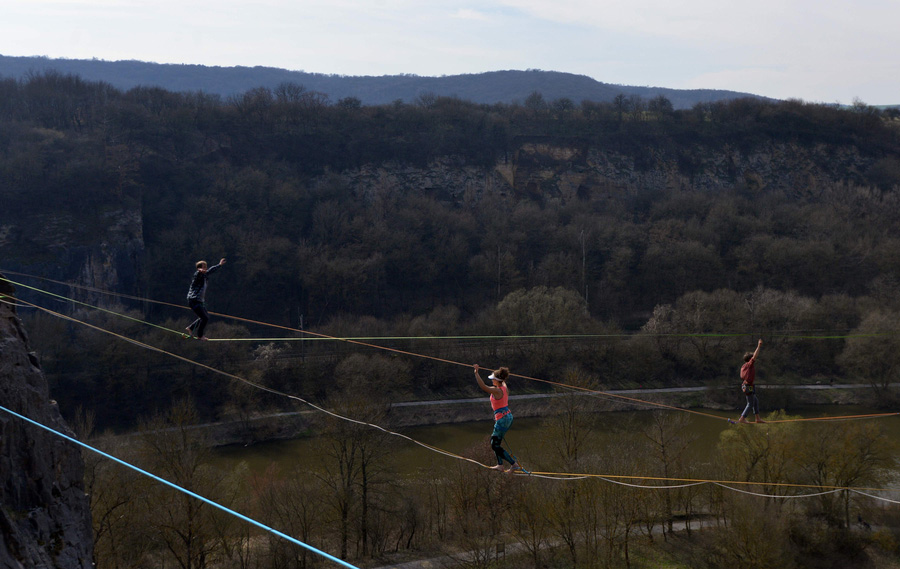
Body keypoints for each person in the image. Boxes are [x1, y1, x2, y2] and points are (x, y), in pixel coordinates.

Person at [474, 364, 522, 473]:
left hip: (503, 419)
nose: (492, 381)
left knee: (494, 444)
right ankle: (500, 465)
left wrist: (476, 373)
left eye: (493, 379)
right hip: (507, 417)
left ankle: (513, 464)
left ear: (497, 380)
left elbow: (483, 387)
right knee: (496, 443)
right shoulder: (504, 388)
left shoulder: (497, 391)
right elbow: (502, 380)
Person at [184, 258, 226, 340]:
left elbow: (211, 270)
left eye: (205, 267)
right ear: (199, 268)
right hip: (193, 300)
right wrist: (200, 270)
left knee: (205, 316)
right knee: (204, 318)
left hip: (199, 301)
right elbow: (198, 273)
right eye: (203, 267)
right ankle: (200, 335)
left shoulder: (205, 275)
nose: (205, 268)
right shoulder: (197, 275)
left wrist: (219, 265)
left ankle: (190, 328)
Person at [736, 339, 764, 423]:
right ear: (750, 359)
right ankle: (742, 418)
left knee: (755, 401)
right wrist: (759, 346)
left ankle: (757, 418)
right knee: (750, 403)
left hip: (747, 386)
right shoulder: (749, 365)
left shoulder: (743, 366)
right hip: (748, 386)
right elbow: (755, 356)